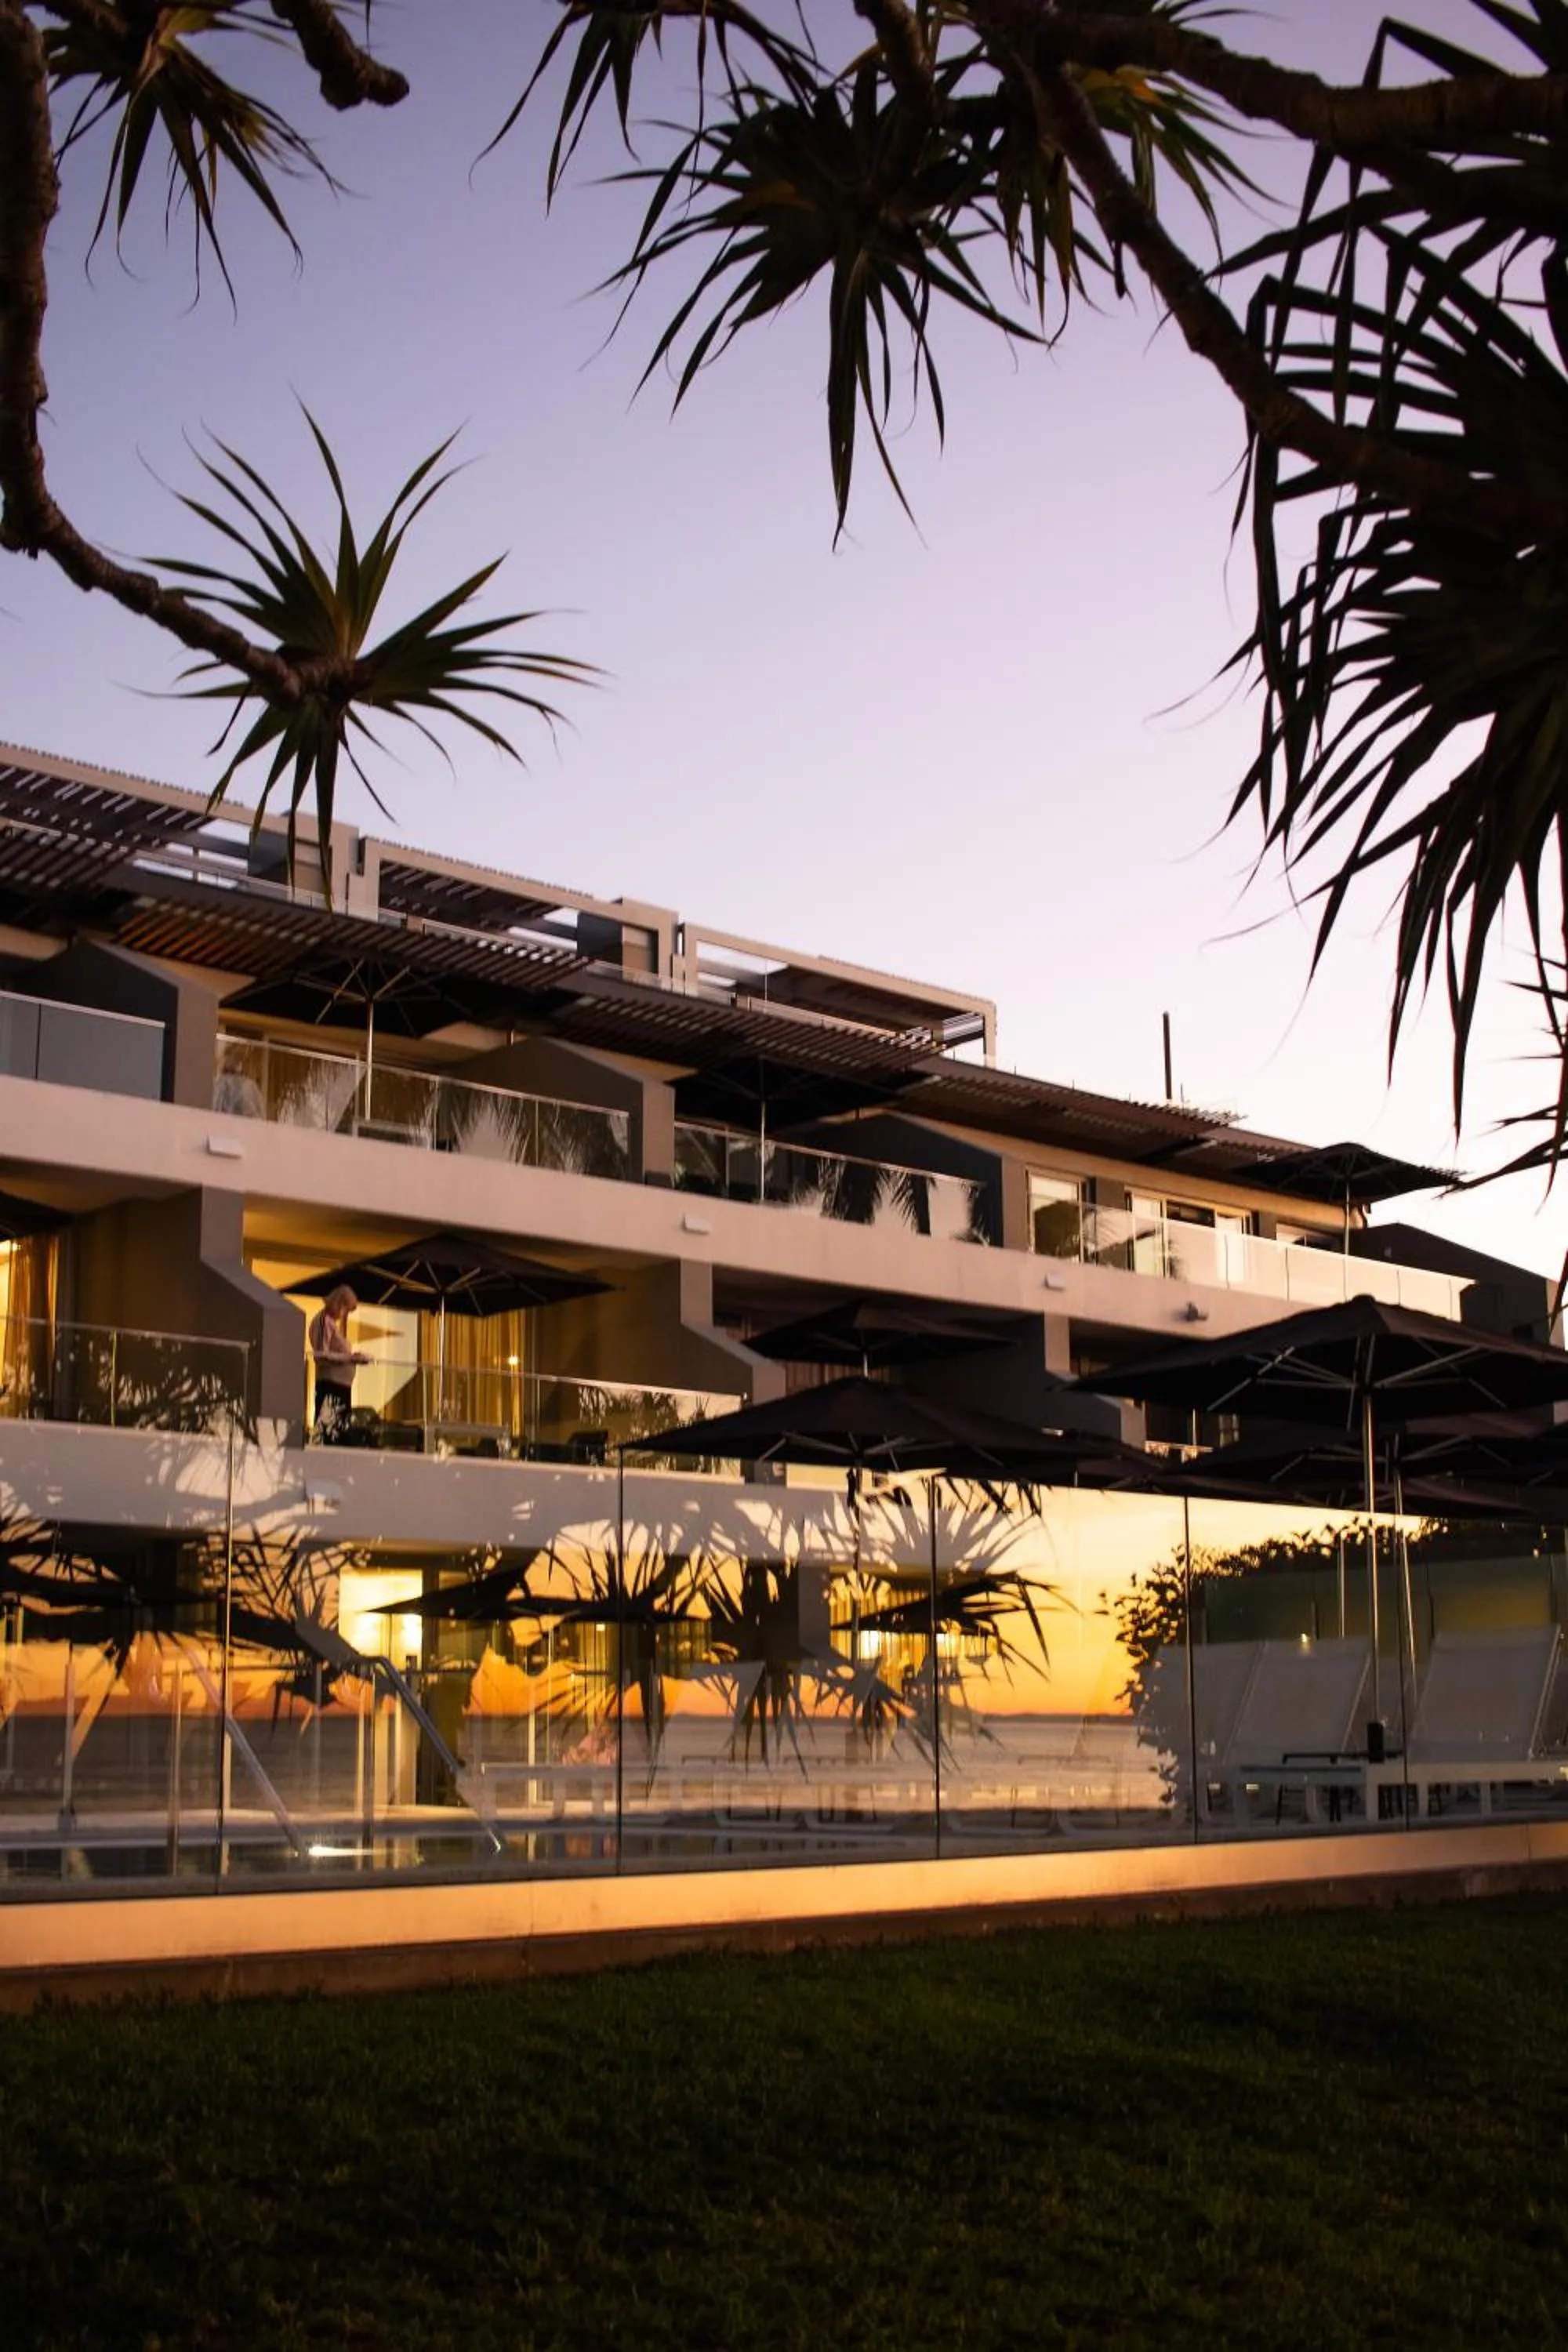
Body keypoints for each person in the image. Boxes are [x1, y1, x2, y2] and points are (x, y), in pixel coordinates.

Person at [308, 1285, 365, 1441]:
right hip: (331, 1386)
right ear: (340, 1304)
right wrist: (350, 1359)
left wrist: (352, 1357)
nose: (345, 1315)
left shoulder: (331, 1324)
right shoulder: (323, 1321)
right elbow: (321, 1355)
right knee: (330, 1433)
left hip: (341, 1386)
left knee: (341, 1433)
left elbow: (335, 1353)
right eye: (346, 1309)